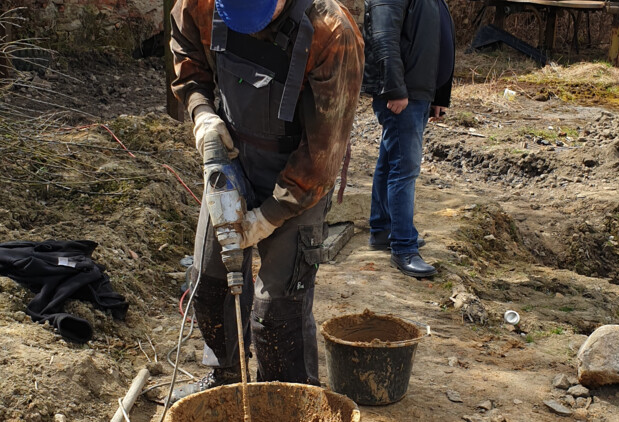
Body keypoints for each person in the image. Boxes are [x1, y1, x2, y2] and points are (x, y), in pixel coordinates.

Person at [168, 0, 364, 402]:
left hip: (300, 175)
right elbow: (186, 51)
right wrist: (203, 112)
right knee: (210, 284)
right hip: (233, 159)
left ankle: (288, 399)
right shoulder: (202, 3)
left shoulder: (331, 32)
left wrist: (270, 215)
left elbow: (323, 153)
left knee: (277, 313)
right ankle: (225, 379)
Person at [362, 0, 455, 278]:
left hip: (417, 91)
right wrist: (395, 89)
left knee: (391, 158)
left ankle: (383, 230)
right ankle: (403, 248)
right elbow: (383, 38)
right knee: (404, 169)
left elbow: (436, 38)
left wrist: (438, 95)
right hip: (402, 93)